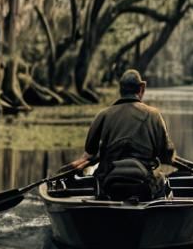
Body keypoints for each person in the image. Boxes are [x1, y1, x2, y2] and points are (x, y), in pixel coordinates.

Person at [69, 68, 175, 200]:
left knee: (97, 179)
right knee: (165, 183)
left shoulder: (103, 115)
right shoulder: (154, 115)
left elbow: (90, 151)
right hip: (144, 185)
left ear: (120, 90)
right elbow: (166, 155)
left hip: (109, 184)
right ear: (142, 88)